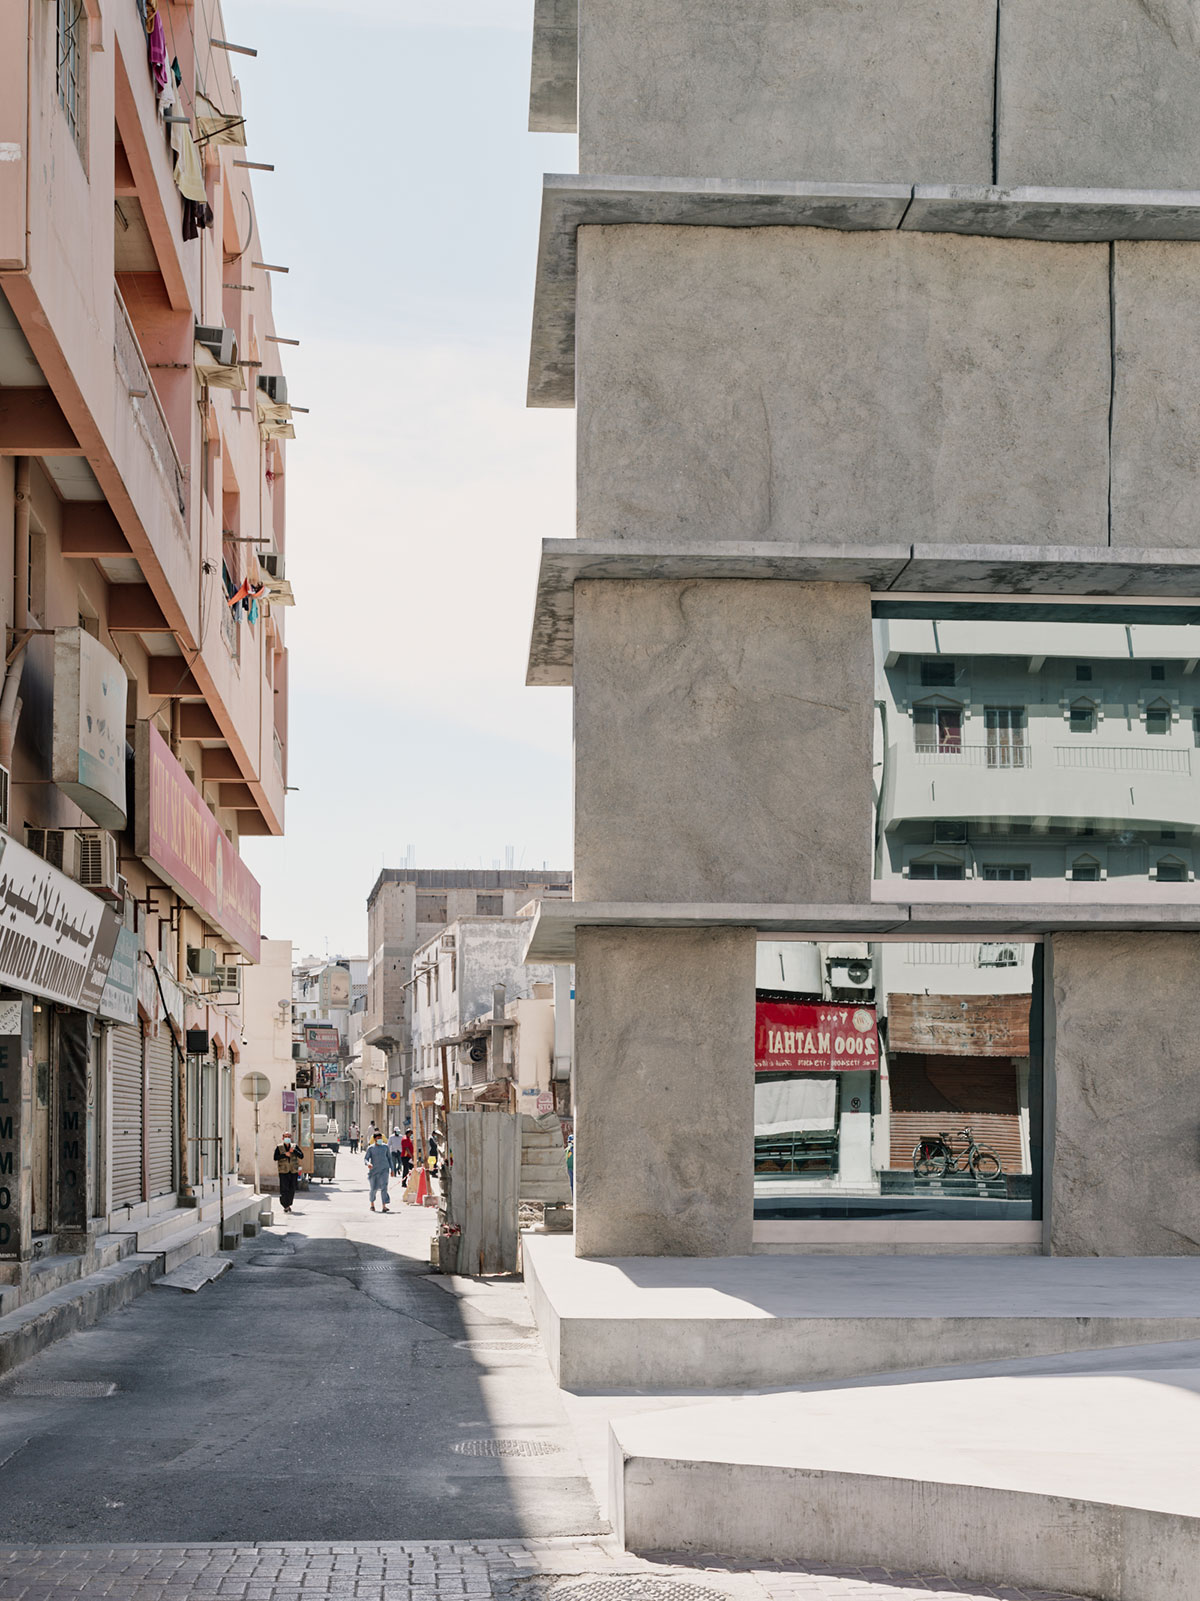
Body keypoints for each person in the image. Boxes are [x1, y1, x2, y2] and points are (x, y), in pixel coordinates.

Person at [273, 1134, 303, 1215]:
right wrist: (284, 1155)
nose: (287, 1138)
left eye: (289, 1137)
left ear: (291, 1138)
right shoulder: (279, 1147)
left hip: (293, 1171)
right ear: (283, 1138)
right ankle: (285, 1205)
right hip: (283, 1171)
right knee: (284, 1189)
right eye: (286, 1137)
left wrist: (294, 1151)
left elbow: (301, 1156)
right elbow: (275, 1157)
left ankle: (289, 1204)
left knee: (292, 1188)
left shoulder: (294, 1146)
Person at [364, 1131, 391, 1212]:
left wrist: (392, 1169)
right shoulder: (371, 1148)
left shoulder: (385, 1147)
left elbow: (389, 1158)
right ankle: (372, 1204)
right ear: (375, 1139)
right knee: (374, 1189)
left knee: (384, 1187)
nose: (380, 1140)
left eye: (381, 1138)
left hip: (384, 1170)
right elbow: (366, 1159)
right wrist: (368, 1163)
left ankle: (384, 1206)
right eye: (378, 1138)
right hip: (374, 1172)